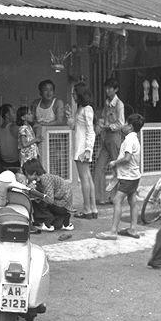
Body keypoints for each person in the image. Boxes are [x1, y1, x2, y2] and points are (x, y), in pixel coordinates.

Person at [96, 114, 144, 240]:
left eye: (126, 124)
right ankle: (132, 229)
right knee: (132, 201)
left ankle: (113, 231)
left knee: (117, 200)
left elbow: (127, 158)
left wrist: (114, 162)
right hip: (134, 176)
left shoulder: (129, 140)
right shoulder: (135, 139)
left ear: (130, 127)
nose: (124, 125)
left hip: (127, 177)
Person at [67, 82, 97, 219]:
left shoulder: (87, 109)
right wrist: (69, 116)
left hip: (82, 148)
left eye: (74, 93)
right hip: (82, 147)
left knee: (84, 178)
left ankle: (87, 209)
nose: (73, 96)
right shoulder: (80, 108)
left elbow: (91, 132)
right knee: (87, 177)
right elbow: (75, 127)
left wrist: (88, 150)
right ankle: (92, 208)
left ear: (80, 94)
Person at [94, 78, 125, 204]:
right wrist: (100, 123)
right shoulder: (107, 103)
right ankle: (100, 197)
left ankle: (116, 197)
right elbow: (103, 118)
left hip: (115, 138)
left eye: (110, 88)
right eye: (106, 88)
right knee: (99, 168)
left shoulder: (119, 104)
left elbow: (121, 123)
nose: (107, 90)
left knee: (117, 169)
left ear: (116, 89)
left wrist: (108, 126)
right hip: (105, 139)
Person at [22, 158, 74, 232]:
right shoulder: (41, 178)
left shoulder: (45, 179)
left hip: (62, 204)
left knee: (37, 202)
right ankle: (60, 222)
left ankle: (47, 223)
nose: (26, 177)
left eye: (27, 174)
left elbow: (49, 200)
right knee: (36, 199)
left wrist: (35, 194)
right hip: (60, 202)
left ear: (34, 173)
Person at [0, 104, 20, 173]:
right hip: (16, 163)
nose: (16, 115)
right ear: (7, 115)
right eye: (13, 112)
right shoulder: (15, 128)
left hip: (3, 163)